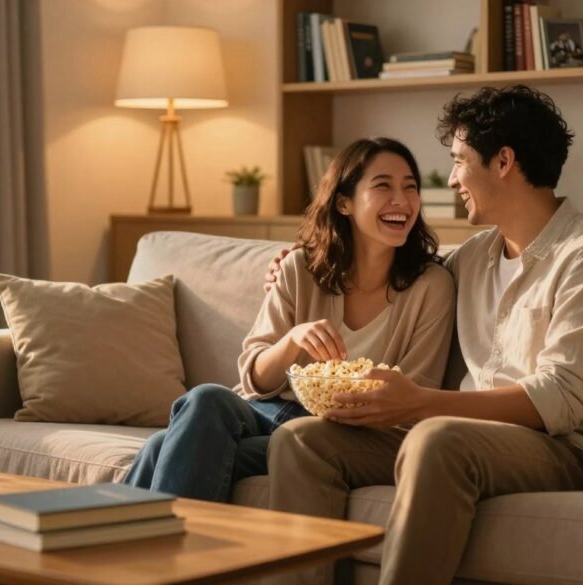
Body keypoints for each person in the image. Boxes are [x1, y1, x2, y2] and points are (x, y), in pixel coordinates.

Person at [263, 85, 583, 584]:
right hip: (463, 438)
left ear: (504, 161)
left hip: (564, 451)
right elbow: (390, 271)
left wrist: (420, 402)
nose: (450, 179)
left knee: (437, 438)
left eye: (459, 161)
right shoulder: (472, 259)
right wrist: (296, 261)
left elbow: (562, 400)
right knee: (301, 440)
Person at [123, 137, 455, 503]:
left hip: (337, 435)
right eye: (383, 186)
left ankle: (121, 549)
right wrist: (292, 340)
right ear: (344, 202)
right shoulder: (301, 268)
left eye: (411, 187)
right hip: (266, 409)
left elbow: (414, 396)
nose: (402, 201)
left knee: (163, 447)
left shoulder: (431, 286)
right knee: (205, 400)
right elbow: (253, 378)